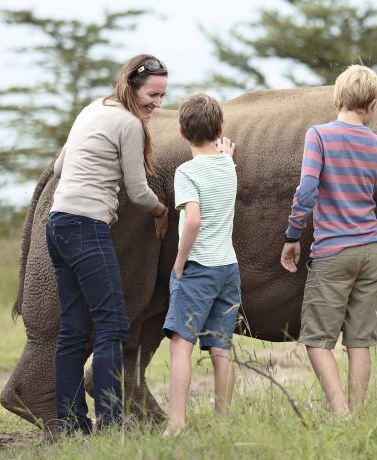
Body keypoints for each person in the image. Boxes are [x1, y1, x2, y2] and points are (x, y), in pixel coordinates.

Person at [280, 65, 377, 417]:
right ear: (373, 103)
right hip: (369, 253)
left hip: (332, 252)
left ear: (338, 96)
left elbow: (306, 191)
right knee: (360, 341)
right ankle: (357, 414)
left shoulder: (318, 136)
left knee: (317, 341)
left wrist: (292, 236)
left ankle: (341, 412)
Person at [46, 54, 169, 435]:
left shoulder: (93, 109)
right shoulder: (128, 123)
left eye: (163, 96)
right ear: (131, 86)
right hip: (86, 226)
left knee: (73, 329)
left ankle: (69, 423)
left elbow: (58, 168)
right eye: (152, 94)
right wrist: (162, 209)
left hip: (59, 224)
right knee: (113, 324)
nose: (157, 104)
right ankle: (113, 423)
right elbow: (137, 190)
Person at [161, 93, 239, 437]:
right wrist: (226, 155)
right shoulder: (228, 164)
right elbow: (223, 162)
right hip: (228, 268)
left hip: (198, 267)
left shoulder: (186, 172)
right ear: (220, 128)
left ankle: (177, 423)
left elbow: (192, 221)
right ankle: (222, 421)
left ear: (181, 132)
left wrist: (179, 262)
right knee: (221, 348)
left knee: (181, 345)